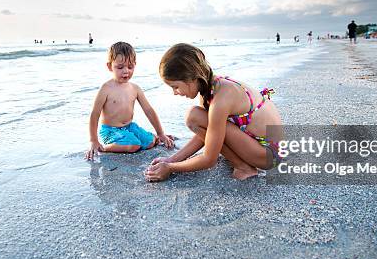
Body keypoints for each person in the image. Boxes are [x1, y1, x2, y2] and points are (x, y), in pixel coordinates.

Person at [144, 43, 283, 182]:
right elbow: (207, 133)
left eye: (175, 87)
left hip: (269, 155)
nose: (175, 93)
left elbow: (209, 159)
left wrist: (170, 168)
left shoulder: (222, 98)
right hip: (260, 147)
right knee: (197, 118)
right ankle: (243, 163)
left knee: (193, 116)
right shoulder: (210, 88)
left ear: (191, 78)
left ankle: (243, 167)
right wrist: (171, 160)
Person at [85, 42, 174, 160]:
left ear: (135, 65)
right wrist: (93, 140)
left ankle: (149, 137)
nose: (126, 71)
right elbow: (94, 114)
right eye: (120, 67)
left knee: (150, 142)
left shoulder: (135, 88)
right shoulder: (106, 88)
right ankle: (104, 148)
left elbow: (149, 111)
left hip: (130, 127)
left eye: (130, 67)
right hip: (110, 130)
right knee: (134, 145)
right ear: (109, 66)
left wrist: (161, 133)